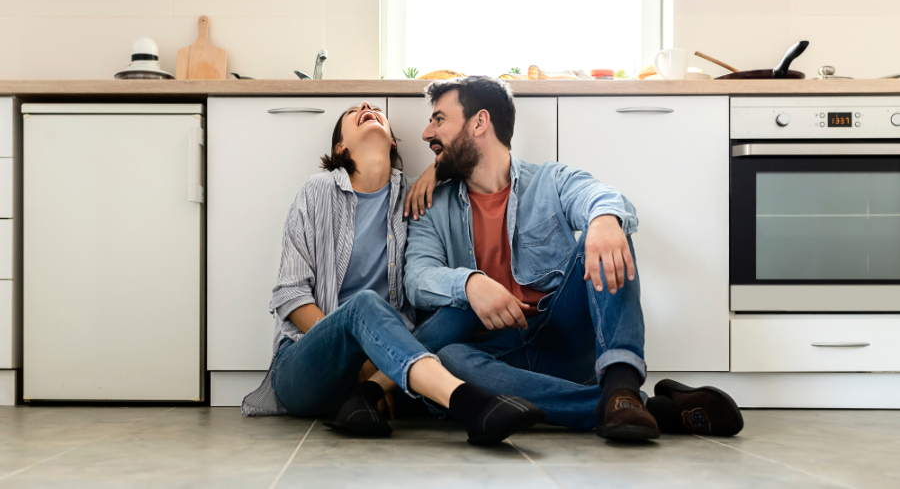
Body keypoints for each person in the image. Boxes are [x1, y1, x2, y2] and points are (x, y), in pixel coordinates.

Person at [403, 76, 743, 440]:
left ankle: (622, 379)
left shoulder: (550, 180)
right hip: (497, 354)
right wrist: (468, 283)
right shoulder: (432, 206)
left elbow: (601, 196)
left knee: (608, 229)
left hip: (562, 337)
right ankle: (629, 404)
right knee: (451, 358)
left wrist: (603, 221)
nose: (426, 132)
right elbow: (416, 277)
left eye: (439, 119)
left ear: (479, 122)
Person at [241, 101, 546, 445]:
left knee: (463, 302)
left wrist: (438, 169)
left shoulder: (417, 197)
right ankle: (470, 405)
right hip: (308, 368)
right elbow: (291, 295)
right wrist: (364, 363)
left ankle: (361, 400)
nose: (367, 106)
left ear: (393, 142)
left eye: (374, 110)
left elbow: (479, 162)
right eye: (354, 111)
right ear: (341, 147)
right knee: (365, 305)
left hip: (391, 366)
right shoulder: (317, 191)